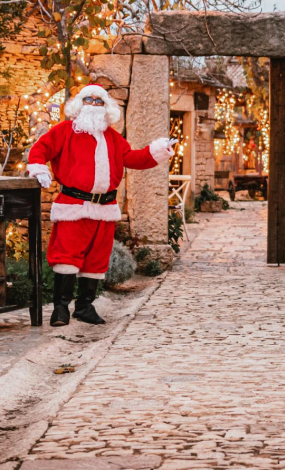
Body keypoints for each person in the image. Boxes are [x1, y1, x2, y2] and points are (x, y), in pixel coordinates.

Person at [27, 83, 175, 326]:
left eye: (99, 101)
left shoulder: (114, 138)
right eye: (89, 100)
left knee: (96, 259)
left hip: (104, 209)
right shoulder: (64, 131)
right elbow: (40, 149)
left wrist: (157, 150)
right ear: (80, 104)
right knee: (66, 257)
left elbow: (133, 159)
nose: (94, 105)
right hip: (73, 207)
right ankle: (61, 309)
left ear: (106, 107)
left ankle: (84, 307)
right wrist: (38, 168)